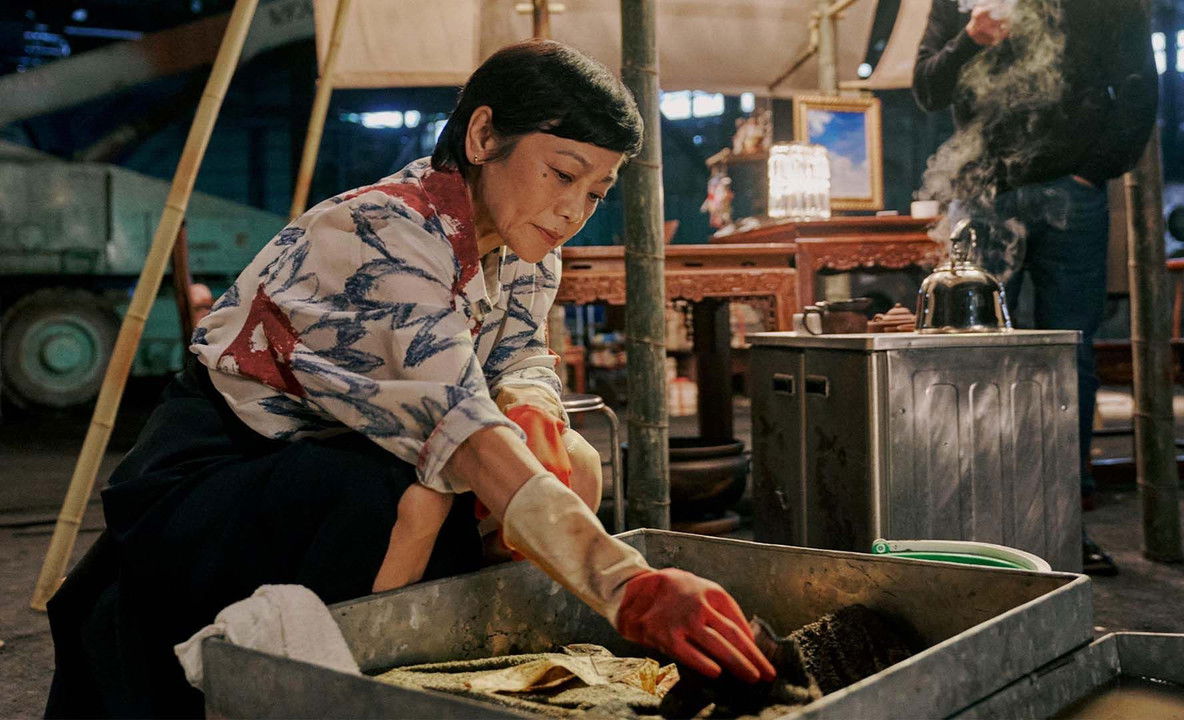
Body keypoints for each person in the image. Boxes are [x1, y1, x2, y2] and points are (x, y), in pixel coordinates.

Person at [46, 39, 774, 718]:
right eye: (562, 173)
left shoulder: (526, 248)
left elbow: (520, 355)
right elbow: (464, 434)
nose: (572, 211)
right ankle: (358, 690)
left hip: (342, 453)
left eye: (596, 192)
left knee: (572, 461)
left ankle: (490, 660)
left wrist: (531, 403)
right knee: (413, 497)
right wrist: (628, 586)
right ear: (483, 136)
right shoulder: (379, 235)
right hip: (220, 472)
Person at [914, 0, 1158, 575]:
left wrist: (1093, 170)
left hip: (1072, 193)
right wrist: (970, 39)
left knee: (1070, 357)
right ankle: (971, 528)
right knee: (966, 359)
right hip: (979, 194)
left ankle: (1064, 525)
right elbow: (926, 88)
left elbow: (1140, 87)